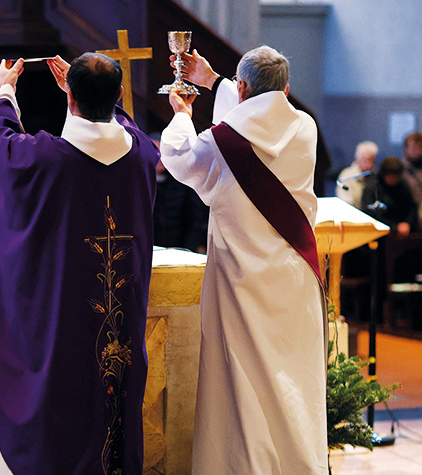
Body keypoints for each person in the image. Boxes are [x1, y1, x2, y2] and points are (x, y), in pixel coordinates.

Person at [0, 53, 158, 474]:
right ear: (118, 96)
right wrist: (93, 96)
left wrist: (7, 89)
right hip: (119, 321)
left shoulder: (45, 157)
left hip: (62, 326)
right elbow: (127, 127)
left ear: (70, 97)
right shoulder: (142, 156)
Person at [160, 46, 327, 473]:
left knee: (246, 382)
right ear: (287, 89)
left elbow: (180, 159)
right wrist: (217, 81)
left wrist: (182, 113)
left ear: (242, 87)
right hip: (294, 276)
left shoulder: (219, 142)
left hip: (241, 278)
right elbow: (261, 116)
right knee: (293, 379)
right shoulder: (306, 126)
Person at [361, 157, 418, 238]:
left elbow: (412, 207)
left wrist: (408, 223)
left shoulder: (402, 185)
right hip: (379, 235)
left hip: (403, 232)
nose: (394, 180)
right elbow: (370, 214)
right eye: (391, 177)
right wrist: (394, 227)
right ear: (384, 175)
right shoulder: (372, 187)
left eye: (397, 177)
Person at [336, 140, 378, 210]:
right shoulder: (347, 176)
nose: (369, 165)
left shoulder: (374, 176)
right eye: (366, 160)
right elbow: (345, 203)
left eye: (372, 161)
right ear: (357, 158)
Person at [401, 131, 422, 226]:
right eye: (413, 147)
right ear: (405, 148)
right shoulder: (399, 169)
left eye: (419, 147)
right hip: (407, 215)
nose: (417, 151)